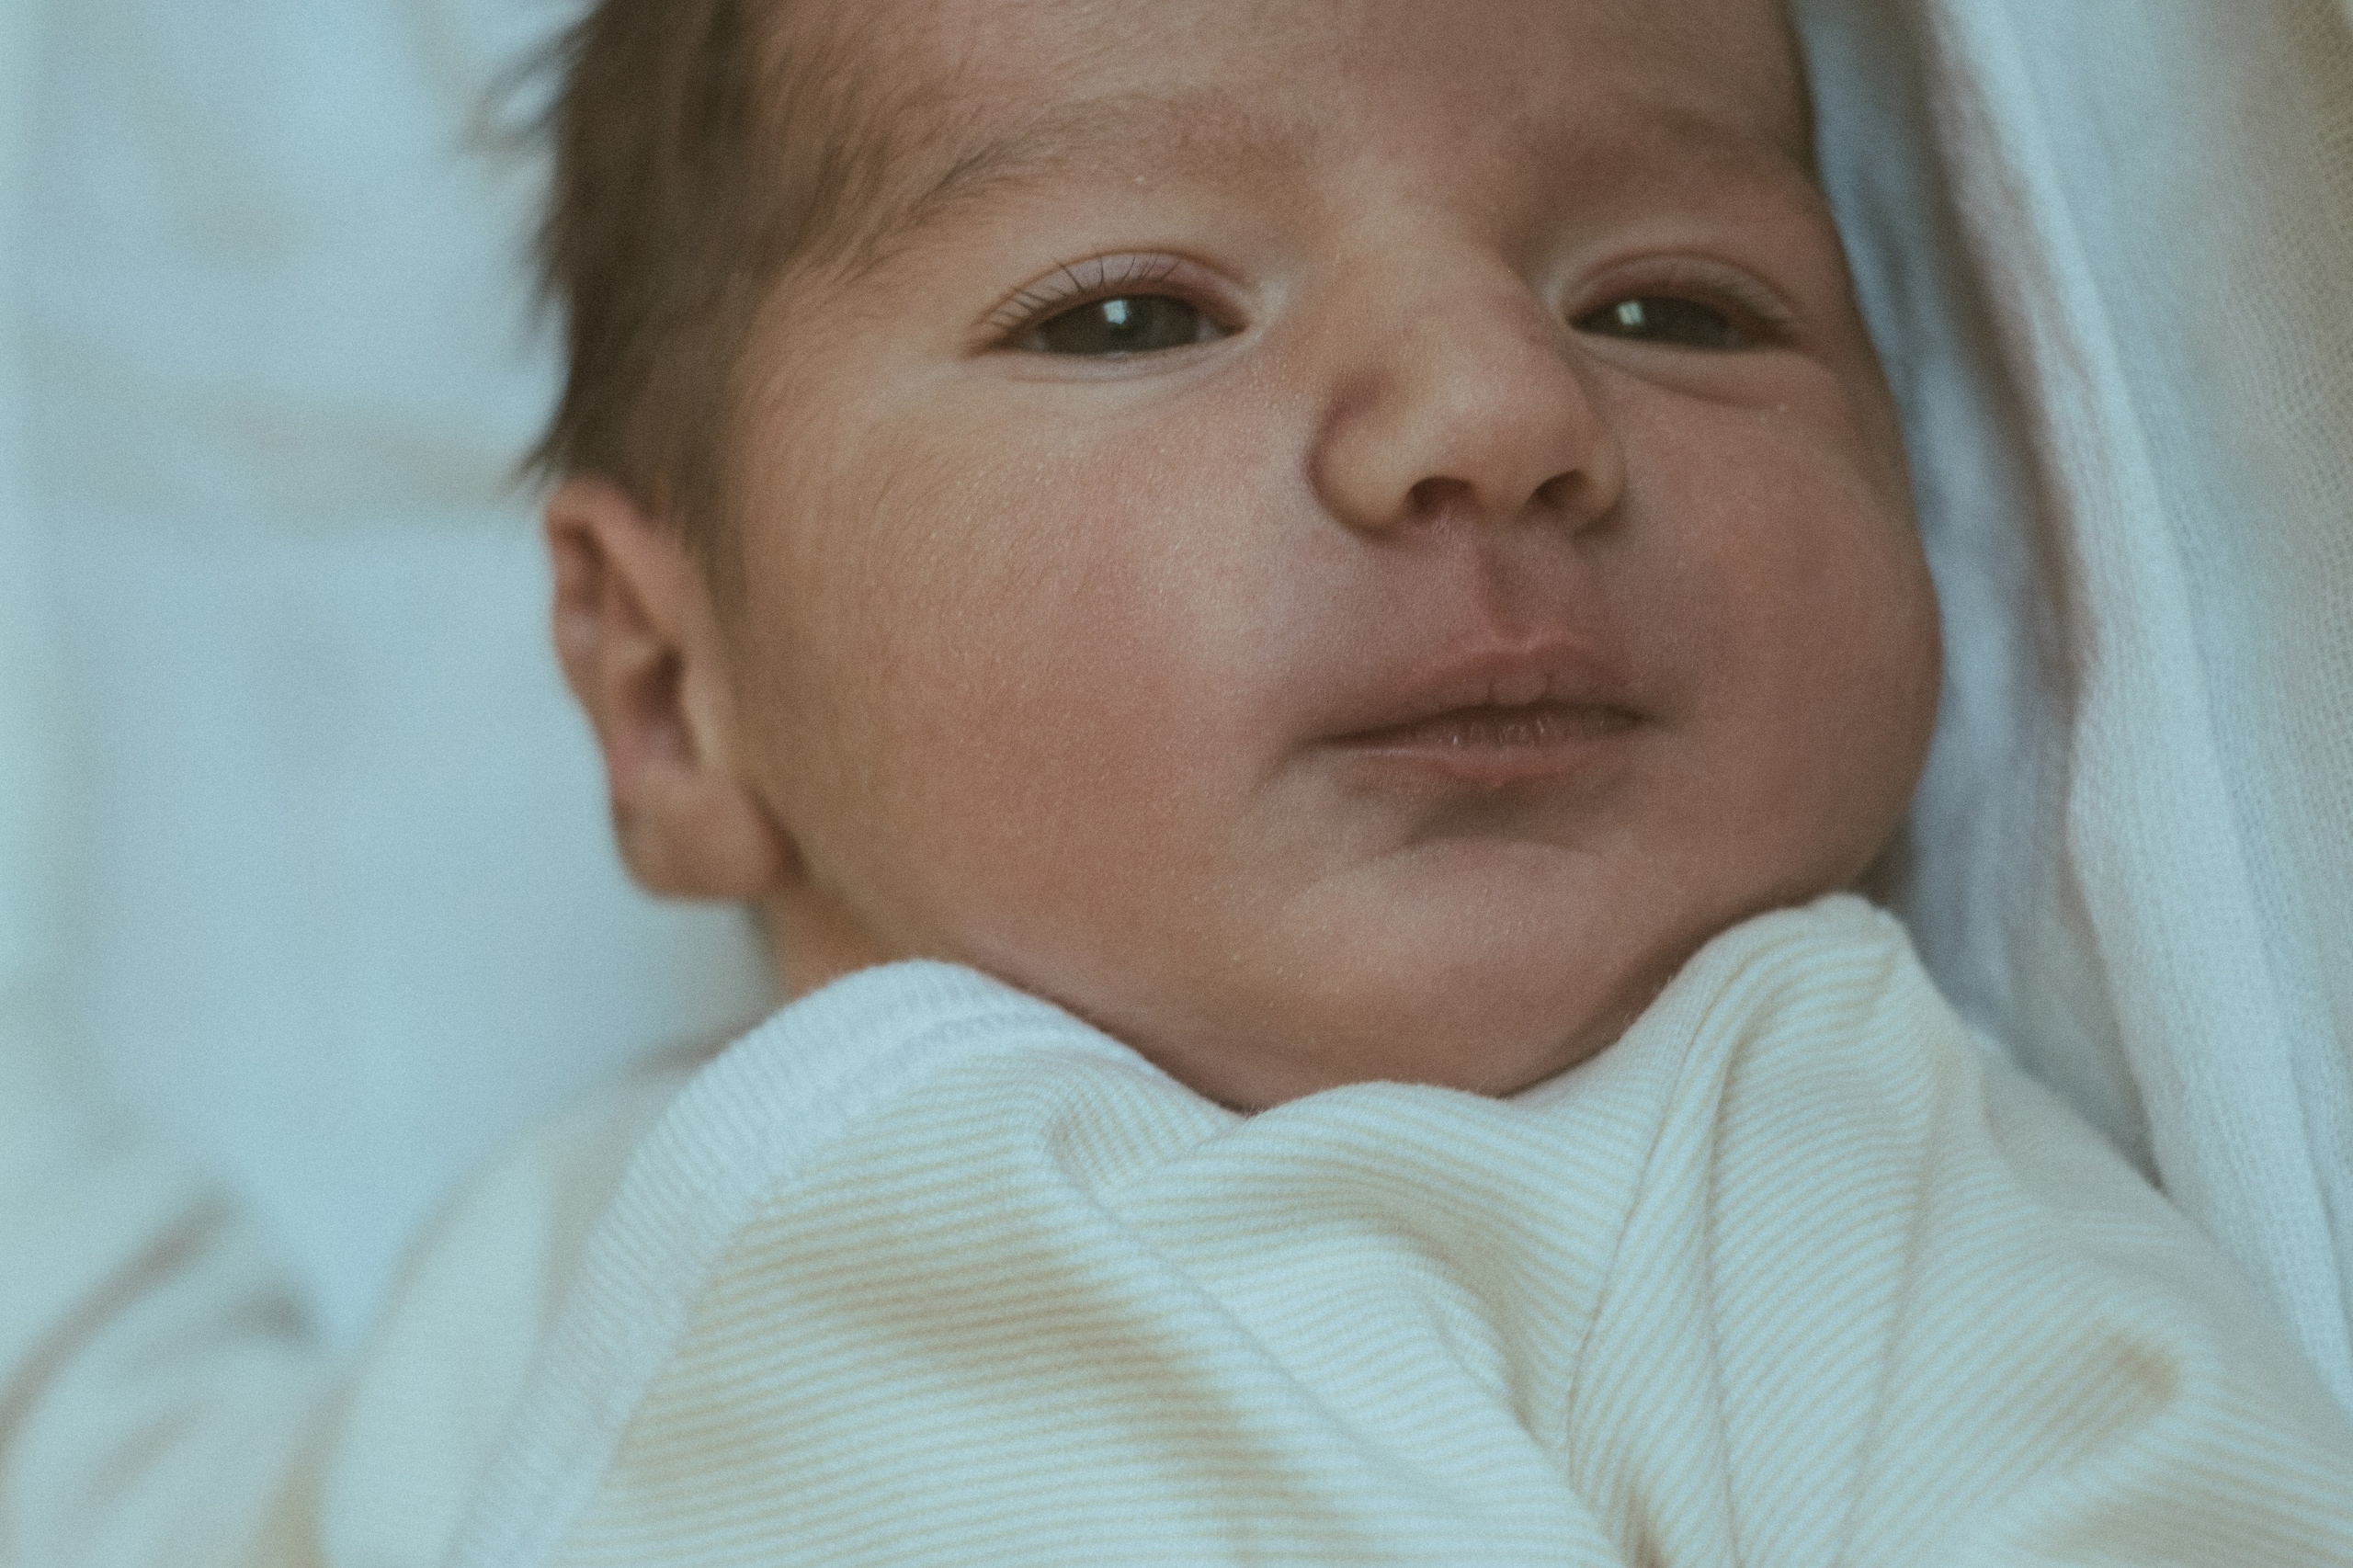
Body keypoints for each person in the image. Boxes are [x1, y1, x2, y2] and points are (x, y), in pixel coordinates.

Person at [11, 0, 2353, 1562]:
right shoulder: (550, 1289)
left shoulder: (1767, 1161)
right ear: (661, 689)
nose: (1497, 413)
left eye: (1673, 306)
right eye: (1133, 312)